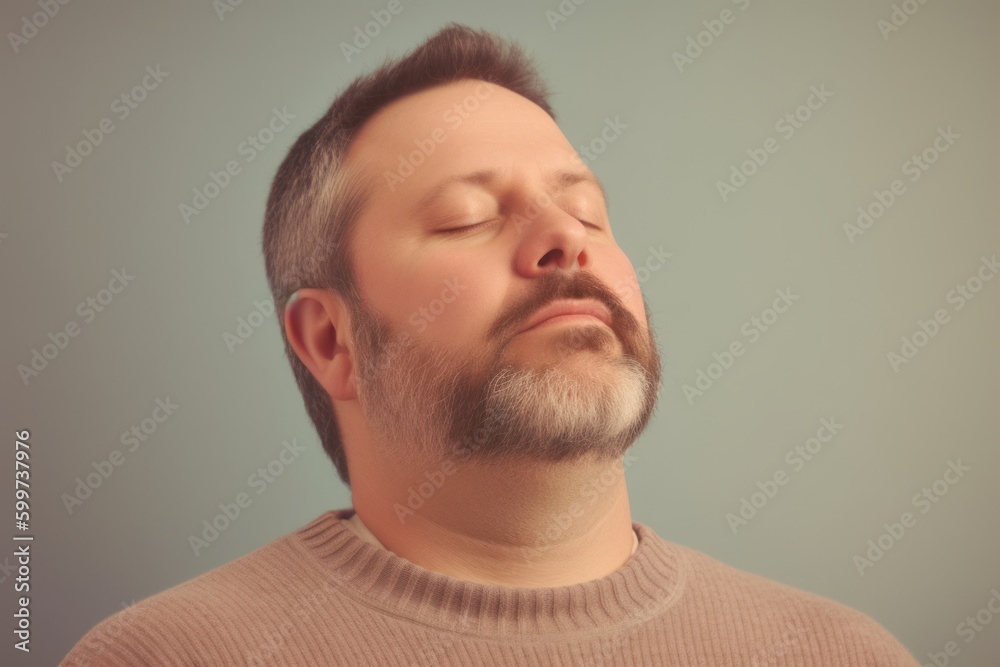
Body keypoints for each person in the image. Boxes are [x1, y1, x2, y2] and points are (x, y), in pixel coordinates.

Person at [61, 23, 920, 666]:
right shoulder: (165, 655)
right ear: (330, 340)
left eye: (587, 212)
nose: (565, 240)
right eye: (466, 217)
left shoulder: (841, 654)